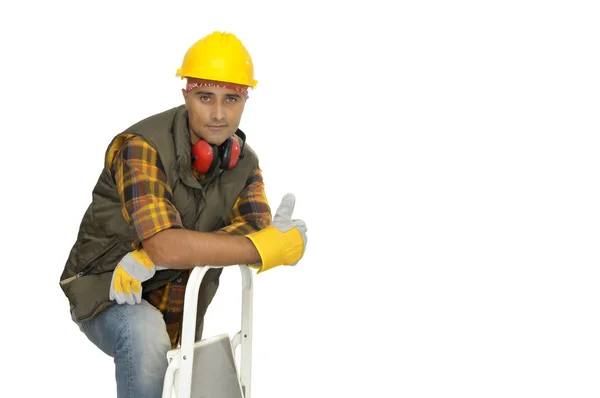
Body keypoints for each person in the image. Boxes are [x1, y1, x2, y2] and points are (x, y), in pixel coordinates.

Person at [59, 31, 308, 398]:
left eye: (232, 99)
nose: (220, 113)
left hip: (179, 307)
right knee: (144, 334)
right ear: (186, 95)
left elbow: (252, 226)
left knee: (198, 370)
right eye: (205, 97)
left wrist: (163, 255)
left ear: (245, 101)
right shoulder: (142, 148)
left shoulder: (245, 164)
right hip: (107, 288)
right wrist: (265, 247)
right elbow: (169, 246)